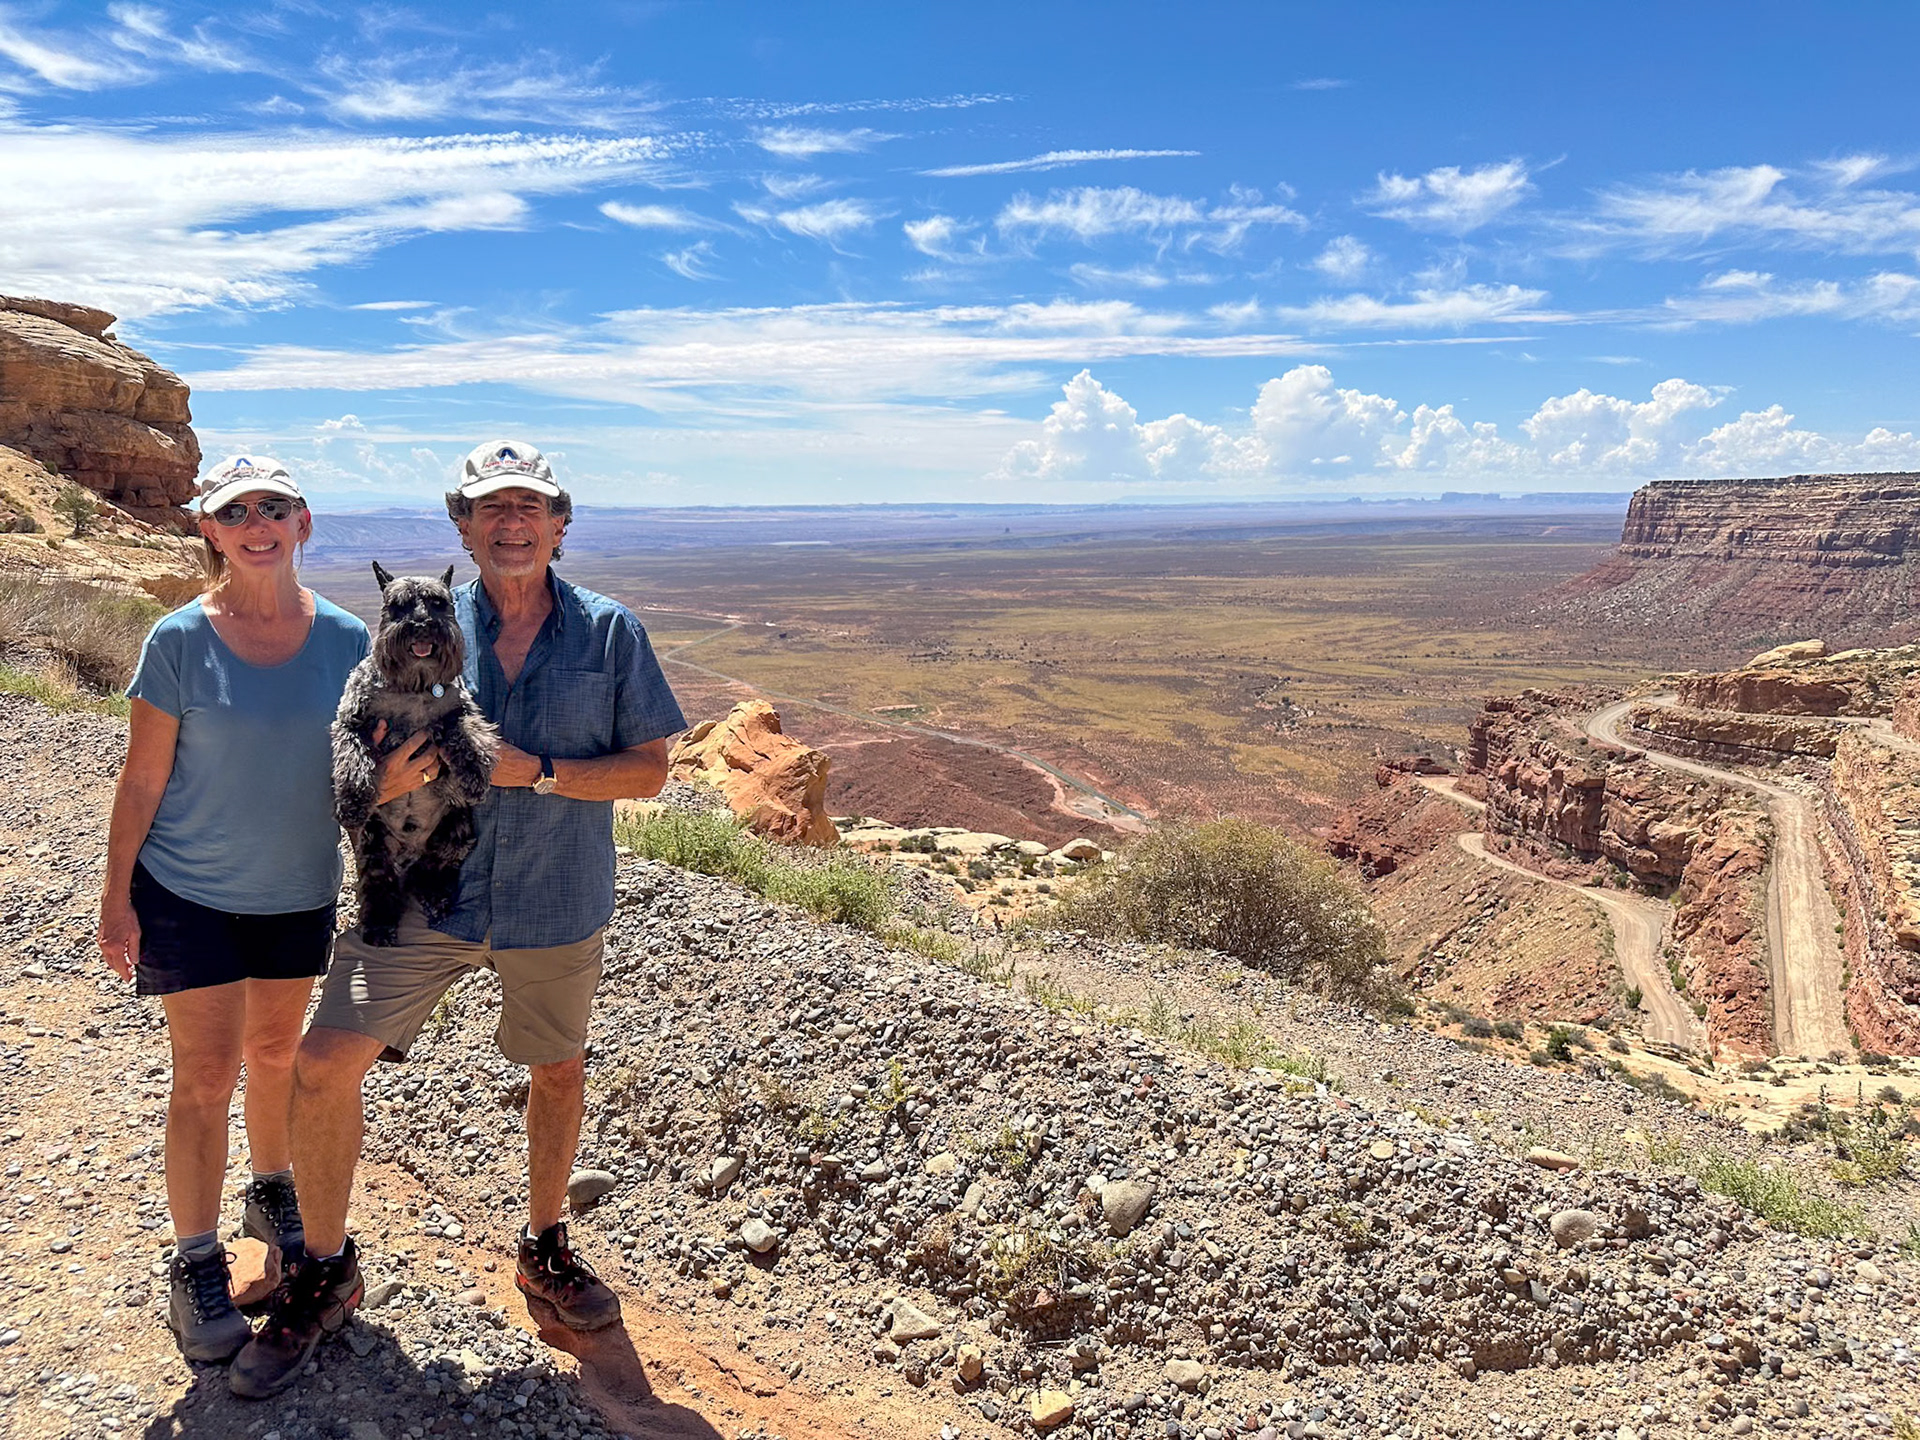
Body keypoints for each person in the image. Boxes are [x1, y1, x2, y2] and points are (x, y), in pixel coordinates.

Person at [231, 440, 686, 1398]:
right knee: (321, 1065)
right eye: (492, 509)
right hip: (421, 895)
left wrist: (541, 771)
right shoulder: (418, 624)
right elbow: (352, 745)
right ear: (463, 526)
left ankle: (545, 1244)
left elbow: (651, 771)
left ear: (559, 525)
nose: (512, 524)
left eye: (531, 508)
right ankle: (326, 1268)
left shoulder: (611, 633)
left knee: (557, 1070)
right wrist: (379, 785)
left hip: (556, 895)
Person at [97, 456, 424, 1362]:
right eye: (234, 511)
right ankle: (197, 1261)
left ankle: (272, 1188)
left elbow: (370, 766)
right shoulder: (177, 640)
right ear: (209, 529)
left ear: (302, 523)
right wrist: (116, 897)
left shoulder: (349, 639)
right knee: (205, 1077)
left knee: (277, 1055)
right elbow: (142, 778)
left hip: (295, 891)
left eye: (272, 507)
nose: (256, 524)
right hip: (188, 890)